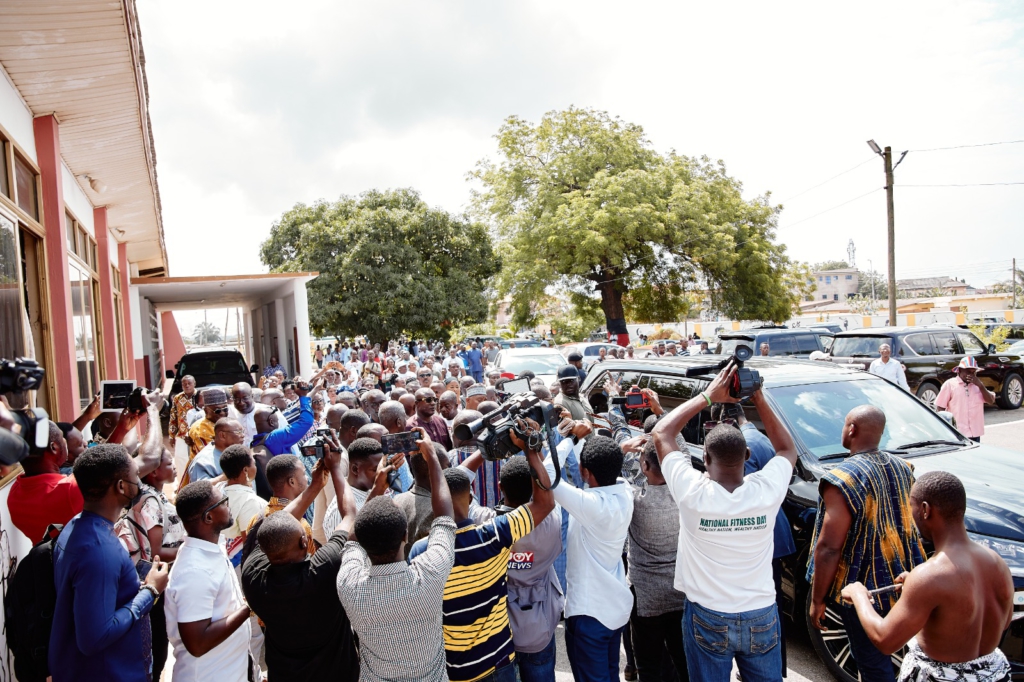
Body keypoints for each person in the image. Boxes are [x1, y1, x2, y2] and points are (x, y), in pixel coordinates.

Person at [651, 364, 798, 681]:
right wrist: (756, 394)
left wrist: (708, 395)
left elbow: (662, 433)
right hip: (761, 613)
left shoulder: (692, 493)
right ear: (747, 455)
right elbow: (786, 449)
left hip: (708, 616)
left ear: (705, 458)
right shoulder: (766, 491)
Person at [841, 471, 1013, 682]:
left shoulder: (929, 577)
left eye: (910, 506)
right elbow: (1002, 623)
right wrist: (924, 595)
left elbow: (885, 640)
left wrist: (859, 595)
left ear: (925, 509)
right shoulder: (997, 562)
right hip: (996, 675)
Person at [409, 435, 554, 682]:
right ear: (471, 495)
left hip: (455, 668)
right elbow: (545, 502)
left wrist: (434, 461)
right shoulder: (494, 534)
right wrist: (530, 449)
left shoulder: (423, 551)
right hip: (499, 661)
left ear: (435, 499)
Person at [807, 405, 926, 682]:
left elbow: (829, 547)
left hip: (865, 592)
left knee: (873, 667)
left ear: (851, 429)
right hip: (906, 582)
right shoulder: (903, 467)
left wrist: (817, 600)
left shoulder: (842, 479)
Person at [336, 430, 456, 682]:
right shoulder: (430, 574)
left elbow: (352, 538)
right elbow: (445, 516)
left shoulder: (348, 584)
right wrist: (432, 457)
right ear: (405, 536)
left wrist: (377, 489)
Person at [242, 439, 361, 682]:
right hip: (337, 674)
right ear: (302, 543)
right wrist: (336, 469)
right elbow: (350, 515)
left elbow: (272, 526)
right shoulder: (323, 570)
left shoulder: (252, 575)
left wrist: (315, 485)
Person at [50, 444, 170, 682]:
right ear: (122, 486)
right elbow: (94, 638)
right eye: (136, 474)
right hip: (108, 672)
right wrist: (151, 590)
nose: (140, 480)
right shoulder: (98, 550)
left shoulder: (75, 525)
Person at [543, 423, 634, 682]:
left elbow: (547, 474)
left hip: (589, 613)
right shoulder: (623, 492)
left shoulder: (592, 505)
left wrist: (570, 438)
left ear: (584, 471)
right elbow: (603, 463)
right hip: (614, 608)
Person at [165, 480, 253, 681]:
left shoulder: (210, 546)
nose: (228, 505)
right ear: (209, 517)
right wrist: (249, 608)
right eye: (223, 501)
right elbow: (198, 644)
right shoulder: (195, 571)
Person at [115, 446, 183, 678]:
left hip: (154, 580)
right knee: (157, 645)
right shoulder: (150, 501)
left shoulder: (151, 495)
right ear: (153, 471)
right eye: (168, 463)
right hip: (152, 580)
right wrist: (189, 549)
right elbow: (155, 551)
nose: (173, 466)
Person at [496, 456, 566, 682]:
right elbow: (547, 500)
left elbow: (458, 485)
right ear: (534, 489)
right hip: (539, 628)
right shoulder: (552, 522)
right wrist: (531, 451)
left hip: (500, 631)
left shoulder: (487, 526)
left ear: (500, 488)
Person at [627, 440, 688, 682]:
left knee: (648, 666)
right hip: (680, 592)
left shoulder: (634, 499)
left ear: (644, 466)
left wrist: (624, 449)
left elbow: (616, 472)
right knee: (683, 661)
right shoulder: (686, 496)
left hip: (645, 598)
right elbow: (682, 452)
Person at [8, 421, 83, 543]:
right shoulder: (70, 489)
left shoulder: (14, 494)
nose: (65, 441)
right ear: (54, 447)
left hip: (44, 559)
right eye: (62, 436)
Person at [935, 356, 994, 442]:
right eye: (968, 371)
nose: (971, 375)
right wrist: (946, 428)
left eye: (973, 372)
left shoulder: (978, 386)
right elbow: (940, 407)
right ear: (959, 370)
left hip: (975, 433)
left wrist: (980, 385)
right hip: (957, 433)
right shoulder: (950, 384)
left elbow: (991, 401)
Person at [181, 387, 231, 487]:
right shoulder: (201, 429)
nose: (222, 413)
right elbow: (210, 458)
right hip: (206, 474)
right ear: (206, 410)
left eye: (225, 409)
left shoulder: (222, 423)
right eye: (217, 411)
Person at [186, 417, 246, 483]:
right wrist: (227, 476)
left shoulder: (239, 452)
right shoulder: (203, 461)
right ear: (222, 435)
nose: (243, 435)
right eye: (238, 432)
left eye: (243, 431)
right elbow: (201, 488)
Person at [169, 374, 197, 461]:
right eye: (184, 384)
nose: (187, 385)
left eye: (189, 383)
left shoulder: (199, 396)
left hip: (196, 435)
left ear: (194, 384)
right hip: (182, 435)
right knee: (181, 460)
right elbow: (173, 417)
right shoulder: (177, 398)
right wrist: (171, 436)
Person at [228, 382, 258, 447]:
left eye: (245, 398)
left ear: (252, 396)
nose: (241, 403)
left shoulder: (268, 412)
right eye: (237, 399)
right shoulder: (228, 413)